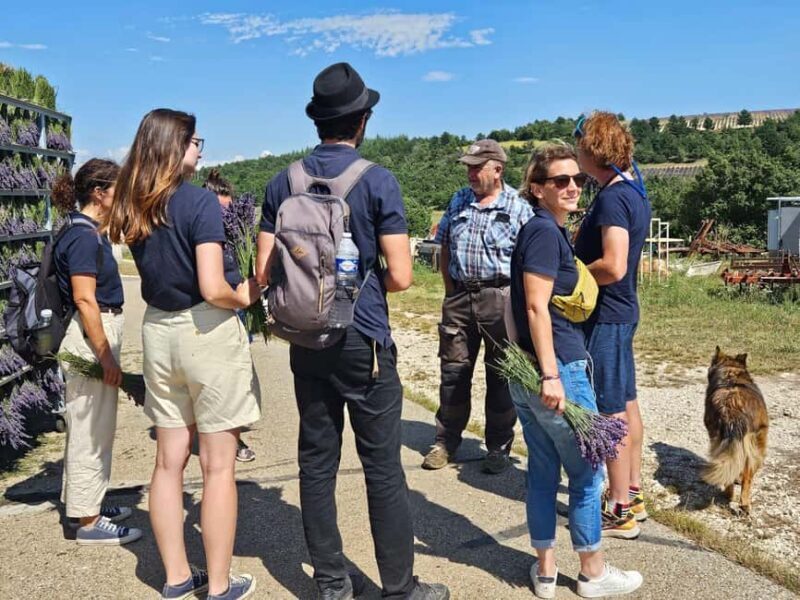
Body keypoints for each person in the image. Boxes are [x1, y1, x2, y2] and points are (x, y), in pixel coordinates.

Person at [256, 62, 449, 600]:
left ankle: (333, 585)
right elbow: (403, 277)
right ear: (361, 121)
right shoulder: (377, 181)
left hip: (304, 339)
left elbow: (262, 268)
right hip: (361, 340)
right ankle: (399, 588)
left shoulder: (283, 181)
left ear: (319, 121)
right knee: (382, 467)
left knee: (316, 463)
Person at [108, 109, 261, 600]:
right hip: (206, 331)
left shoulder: (134, 204)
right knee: (217, 467)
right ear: (173, 146)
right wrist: (248, 295)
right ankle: (218, 586)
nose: (202, 148)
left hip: (158, 332)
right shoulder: (199, 203)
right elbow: (215, 286)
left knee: (168, 462)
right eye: (195, 140)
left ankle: (175, 576)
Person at [510, 142, 643, 598]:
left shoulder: (541, 230)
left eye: (578, 179)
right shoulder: (545, 233)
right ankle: (592, 572)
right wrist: (550, 373)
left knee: (544, 471)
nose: (572, 187)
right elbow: (534, 306)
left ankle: (546, 573)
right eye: (559, 181)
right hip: (556, 369)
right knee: (588, 475)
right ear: (536, 188)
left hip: (526, 370)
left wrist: (525, 363)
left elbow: (517, 311)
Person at [422, 139, 533, 474]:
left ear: (497, 169)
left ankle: (498, 448)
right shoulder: (458, 200)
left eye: (476, 166)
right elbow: (443, 248)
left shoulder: (518, 207)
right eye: (468, 166)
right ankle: (445, 442)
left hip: (501, 299)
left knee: (501, 376)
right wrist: (449, 291)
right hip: (459, 297)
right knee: (453, 373)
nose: (469, 173)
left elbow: (529, 262)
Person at [52, 159, 142, 546]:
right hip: (92, 335)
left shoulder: (83, 230)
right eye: (117, 189)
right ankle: (88, 521)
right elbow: (85, 299)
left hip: (93, 334)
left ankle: (84, 504)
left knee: (90, 427)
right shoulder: (84, 237)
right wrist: (106, 357)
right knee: (92, 429)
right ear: (99, 193)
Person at [573, 112, 651, 539]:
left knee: (609, 410)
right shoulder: (633, 190)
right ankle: (632, 491)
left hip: (608, 316)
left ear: (591, 150)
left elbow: (614, 264)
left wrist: (573, 278)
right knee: (627, 402)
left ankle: (619, 508)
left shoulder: (611, 198)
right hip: (624, 313)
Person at [202, 168, 256, 463]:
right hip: (216, 312)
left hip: (239, 308)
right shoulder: (203, 234)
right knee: (221, 380)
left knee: (237, 376)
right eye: (221, 210)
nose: (226, 217)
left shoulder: (233, 231)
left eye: (230, 209)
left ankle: (225, 433)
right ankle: (228, 443)